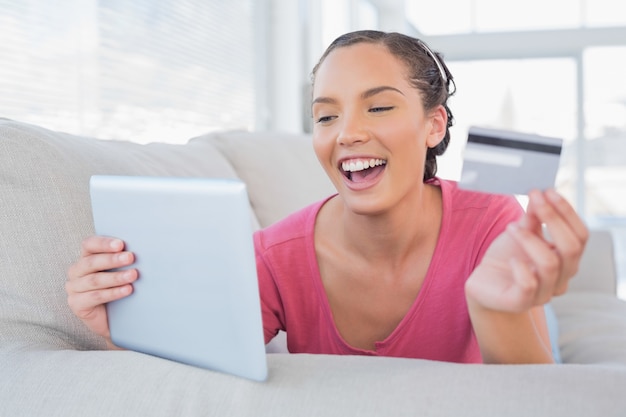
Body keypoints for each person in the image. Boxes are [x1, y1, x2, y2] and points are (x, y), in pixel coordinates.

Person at [66, 30, 588, 363]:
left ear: (434, 124)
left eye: (379, 108)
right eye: (326, 115)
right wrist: (117, 330)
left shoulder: (492, 218)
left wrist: (494, 311)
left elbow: (535, 392)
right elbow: (199, 367)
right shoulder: (272, 256)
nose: (347, 133)